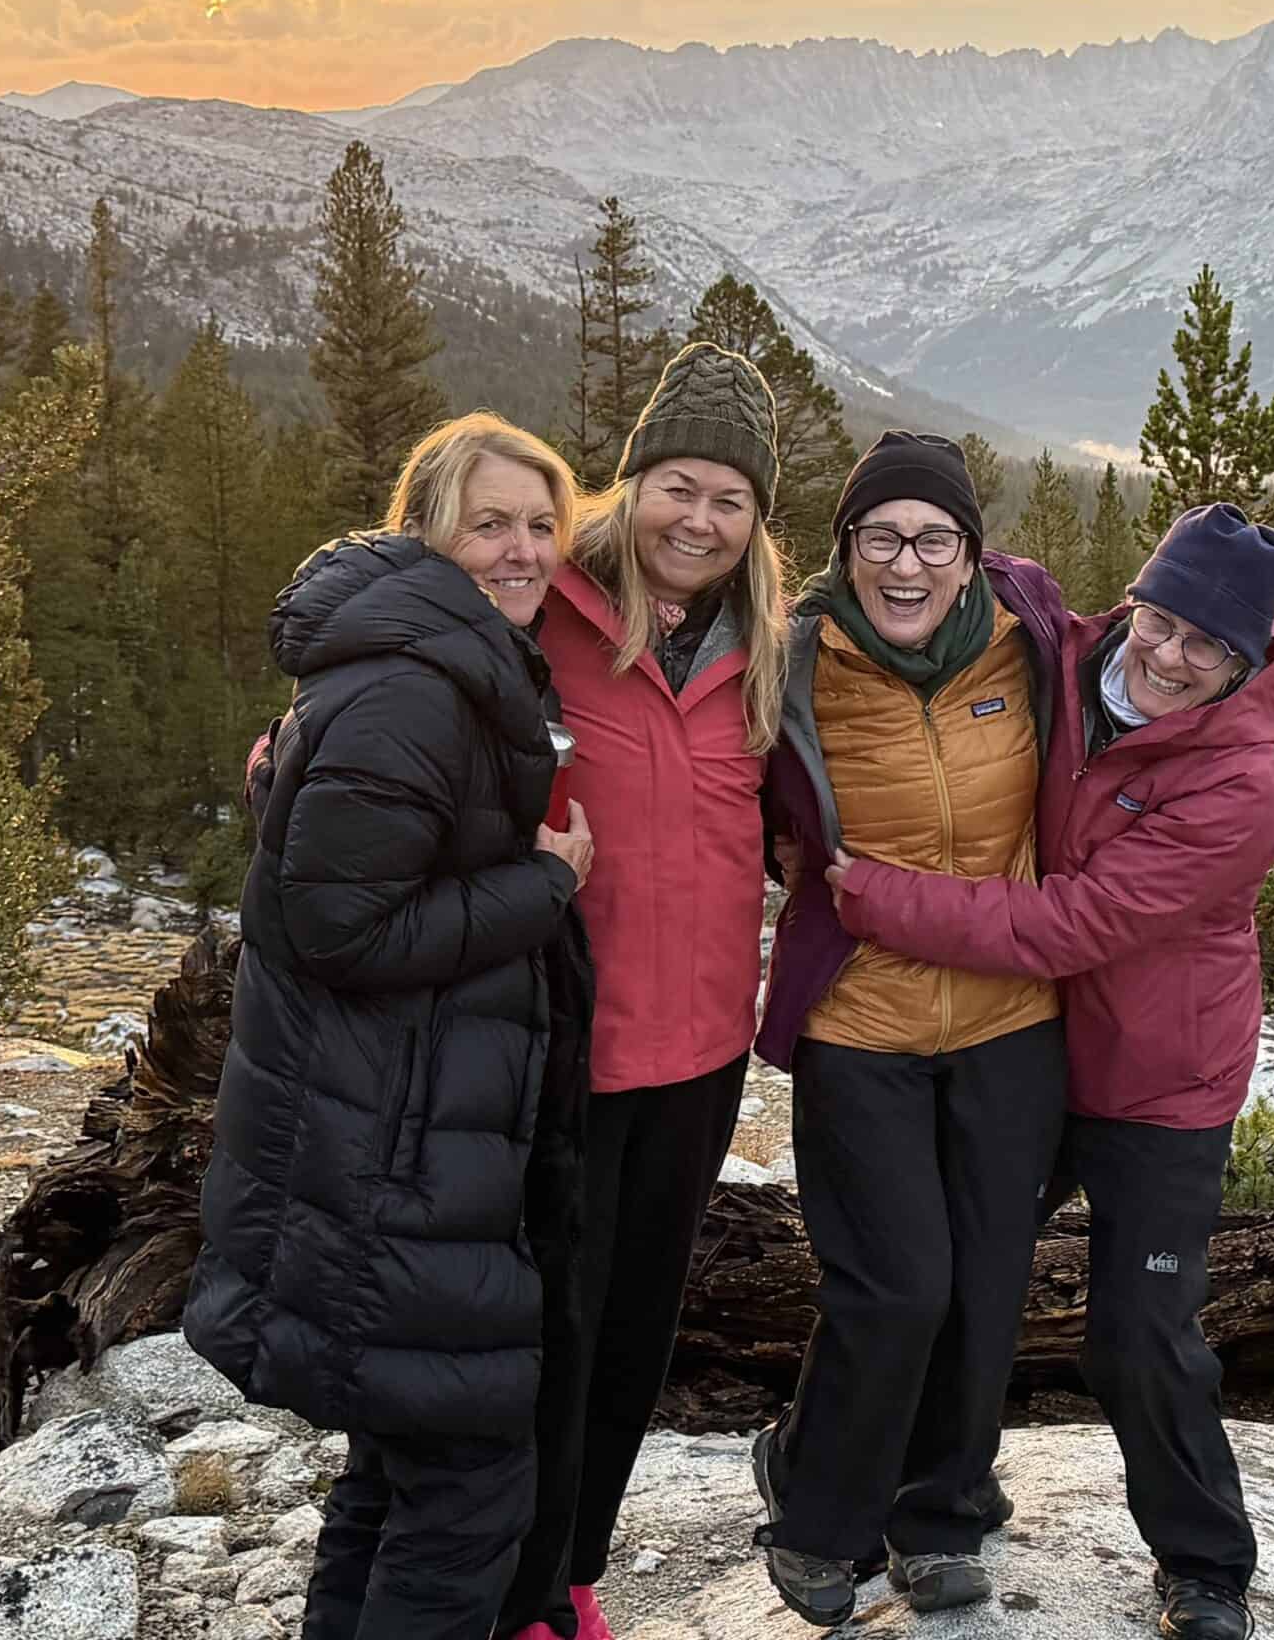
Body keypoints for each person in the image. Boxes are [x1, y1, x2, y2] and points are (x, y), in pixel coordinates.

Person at [826, 504, 1274, 1640]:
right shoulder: (1059, 654)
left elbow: (1070, 924)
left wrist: (871, 895)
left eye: (1209, 647)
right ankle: (906, 1485)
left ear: (1247, 659)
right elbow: (949, 559)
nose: (1171, 658)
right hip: (1029, 1044)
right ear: (1133, 600)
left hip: (1160, 1076)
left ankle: (1205, 1565)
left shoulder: (1243, 780)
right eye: (1162, 621)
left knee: (1137, 1334)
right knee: (953, 1279)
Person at [186, 413, 599, 1640]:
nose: (522, 551)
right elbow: (340, 930)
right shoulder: (412, 694)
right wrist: (545, 883)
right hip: (386, 1156)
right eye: (490, 525)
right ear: (424, 533)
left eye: (541, 526)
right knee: (470, 1494)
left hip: (390, 1135)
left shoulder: (431, 663)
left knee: (396, 1469)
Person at [749, 431, 1069, 1627]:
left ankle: (939, 1517)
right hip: (860, 1019)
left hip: (1010, 1018)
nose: (906, 563)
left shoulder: (1031, 637)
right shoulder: (791, 659)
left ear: (972, 554)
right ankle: (817, 1512)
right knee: (893, 1287)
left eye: (934, 539)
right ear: (844, 547)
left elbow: (1183, 662)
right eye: (880, 537)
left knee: (984, 1291)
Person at [496, 343, 789, 1640]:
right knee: (549, 1329)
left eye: (730, 499)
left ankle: (573, 1575)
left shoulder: (767, 646)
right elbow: (385, 699)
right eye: (679, 487)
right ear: (633, 484)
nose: (699, 521)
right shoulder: (540, 606)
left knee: (634, 1336)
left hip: (702, 1050)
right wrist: (295, 766)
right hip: (564, 1040)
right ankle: (513, 1587)